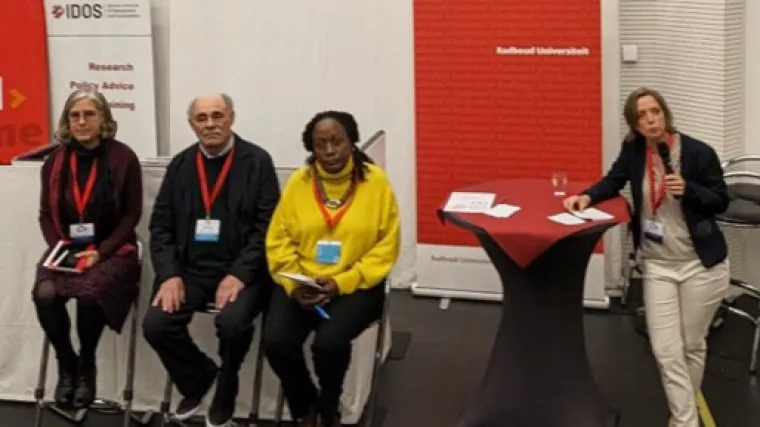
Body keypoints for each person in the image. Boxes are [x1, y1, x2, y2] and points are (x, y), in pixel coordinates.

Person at [563, 88, 729, 427]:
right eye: (642, 116)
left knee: (692, 345)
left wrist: (690, 189)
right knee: (667, 350)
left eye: (655, 111)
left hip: (700, 265)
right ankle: (686, 420)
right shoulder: (634, 151)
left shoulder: (698, 152)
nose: (651, 119)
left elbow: (720, 200)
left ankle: (680, 417)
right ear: (634, 125)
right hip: (657, 264)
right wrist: (586, 196)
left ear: (665, 114)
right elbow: (614, 181)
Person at [143, 93, 279, 427]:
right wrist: (170, 275)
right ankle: (199, 377)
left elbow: (269, 229)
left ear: (231, 117)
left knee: (231, 323)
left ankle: (227, 384)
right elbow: (160, 226)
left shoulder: (257, 161)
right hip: (190, 272)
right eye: (202, 118)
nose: (210, 124)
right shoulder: (180, 165)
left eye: (217, 116)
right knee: (156, 325)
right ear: (192, 125)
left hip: (242, 273)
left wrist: (238, 274)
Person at [264, 111, 401, 427]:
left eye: (336, 141)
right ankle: (304, 407)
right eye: (320, 144)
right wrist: (293, 283)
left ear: (351, 141)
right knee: (277, 341)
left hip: (357, 284)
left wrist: (342, 282)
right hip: (302, 281)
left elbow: (386, 246)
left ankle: (329, 409)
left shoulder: (376, 182)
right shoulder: (299, 182)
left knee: (329, 343)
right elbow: (278, 239)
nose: (329, 151)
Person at [34, 89, 143, 409]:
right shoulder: (54, 161)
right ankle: (67, 362)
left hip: (113, 248)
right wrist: (59, 250)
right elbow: (44, 214)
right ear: (67, 121)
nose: (81, 121)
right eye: (75, 115)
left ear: (104, 119)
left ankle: (87, 365)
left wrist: (101, 251)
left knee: (89, 291)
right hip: (67, 248)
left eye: (89, 114)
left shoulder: (124, 157)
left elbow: (132, 214)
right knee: (45, 293)